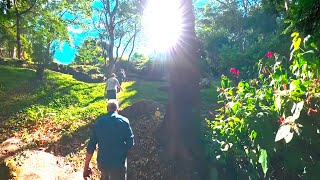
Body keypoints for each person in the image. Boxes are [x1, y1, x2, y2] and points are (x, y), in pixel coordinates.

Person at [83, 99, 134, 180]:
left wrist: (86, 165)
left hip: (103, 162)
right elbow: (130, 143)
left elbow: (91, 146)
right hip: (119, 162)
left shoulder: (99, 122)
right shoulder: (124, 122)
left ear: (107, 109)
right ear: (117, 109)